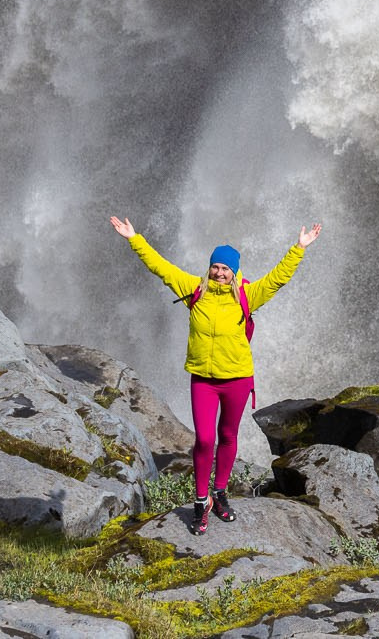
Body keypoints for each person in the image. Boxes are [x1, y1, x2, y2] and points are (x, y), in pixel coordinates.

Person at [109, 214, 321, 535]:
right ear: (209, 268)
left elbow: (279, 278)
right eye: (215, 266)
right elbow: (160, 267)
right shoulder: (194, 289)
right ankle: (201, 501)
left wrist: (299, 248)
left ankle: (220, 493)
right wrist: (133, 238)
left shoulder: (248, 296)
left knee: (228, 437)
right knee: (205, 439)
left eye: (225, 268)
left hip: (237, 379)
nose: (219, 272)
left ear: (234, 271)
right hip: (204, 381)